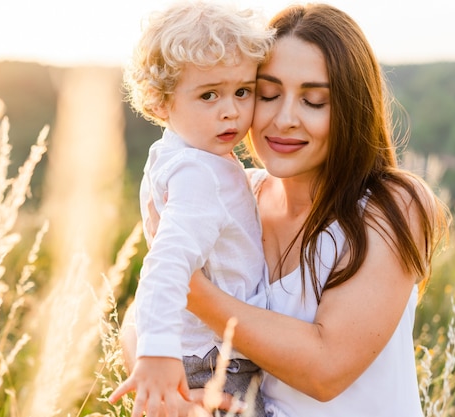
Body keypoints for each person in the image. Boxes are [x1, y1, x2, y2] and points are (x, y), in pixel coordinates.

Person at [120, 3, 452, 417]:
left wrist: (194, 292)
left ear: (351, 110)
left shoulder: (391, 205)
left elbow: (326, 370)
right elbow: (142, 312)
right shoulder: (237, 192)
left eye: (314, 101)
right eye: (267, 94)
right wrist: (176, 392)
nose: (285, 118)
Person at [108, 2, 275, 417]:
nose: (231, 110)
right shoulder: (198, 174)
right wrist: (158, 354)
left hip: (210, 355)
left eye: (243, 91)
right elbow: (166, 264)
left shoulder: (182, 154)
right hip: (216, 366)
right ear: (159, 101)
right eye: (208, 94)